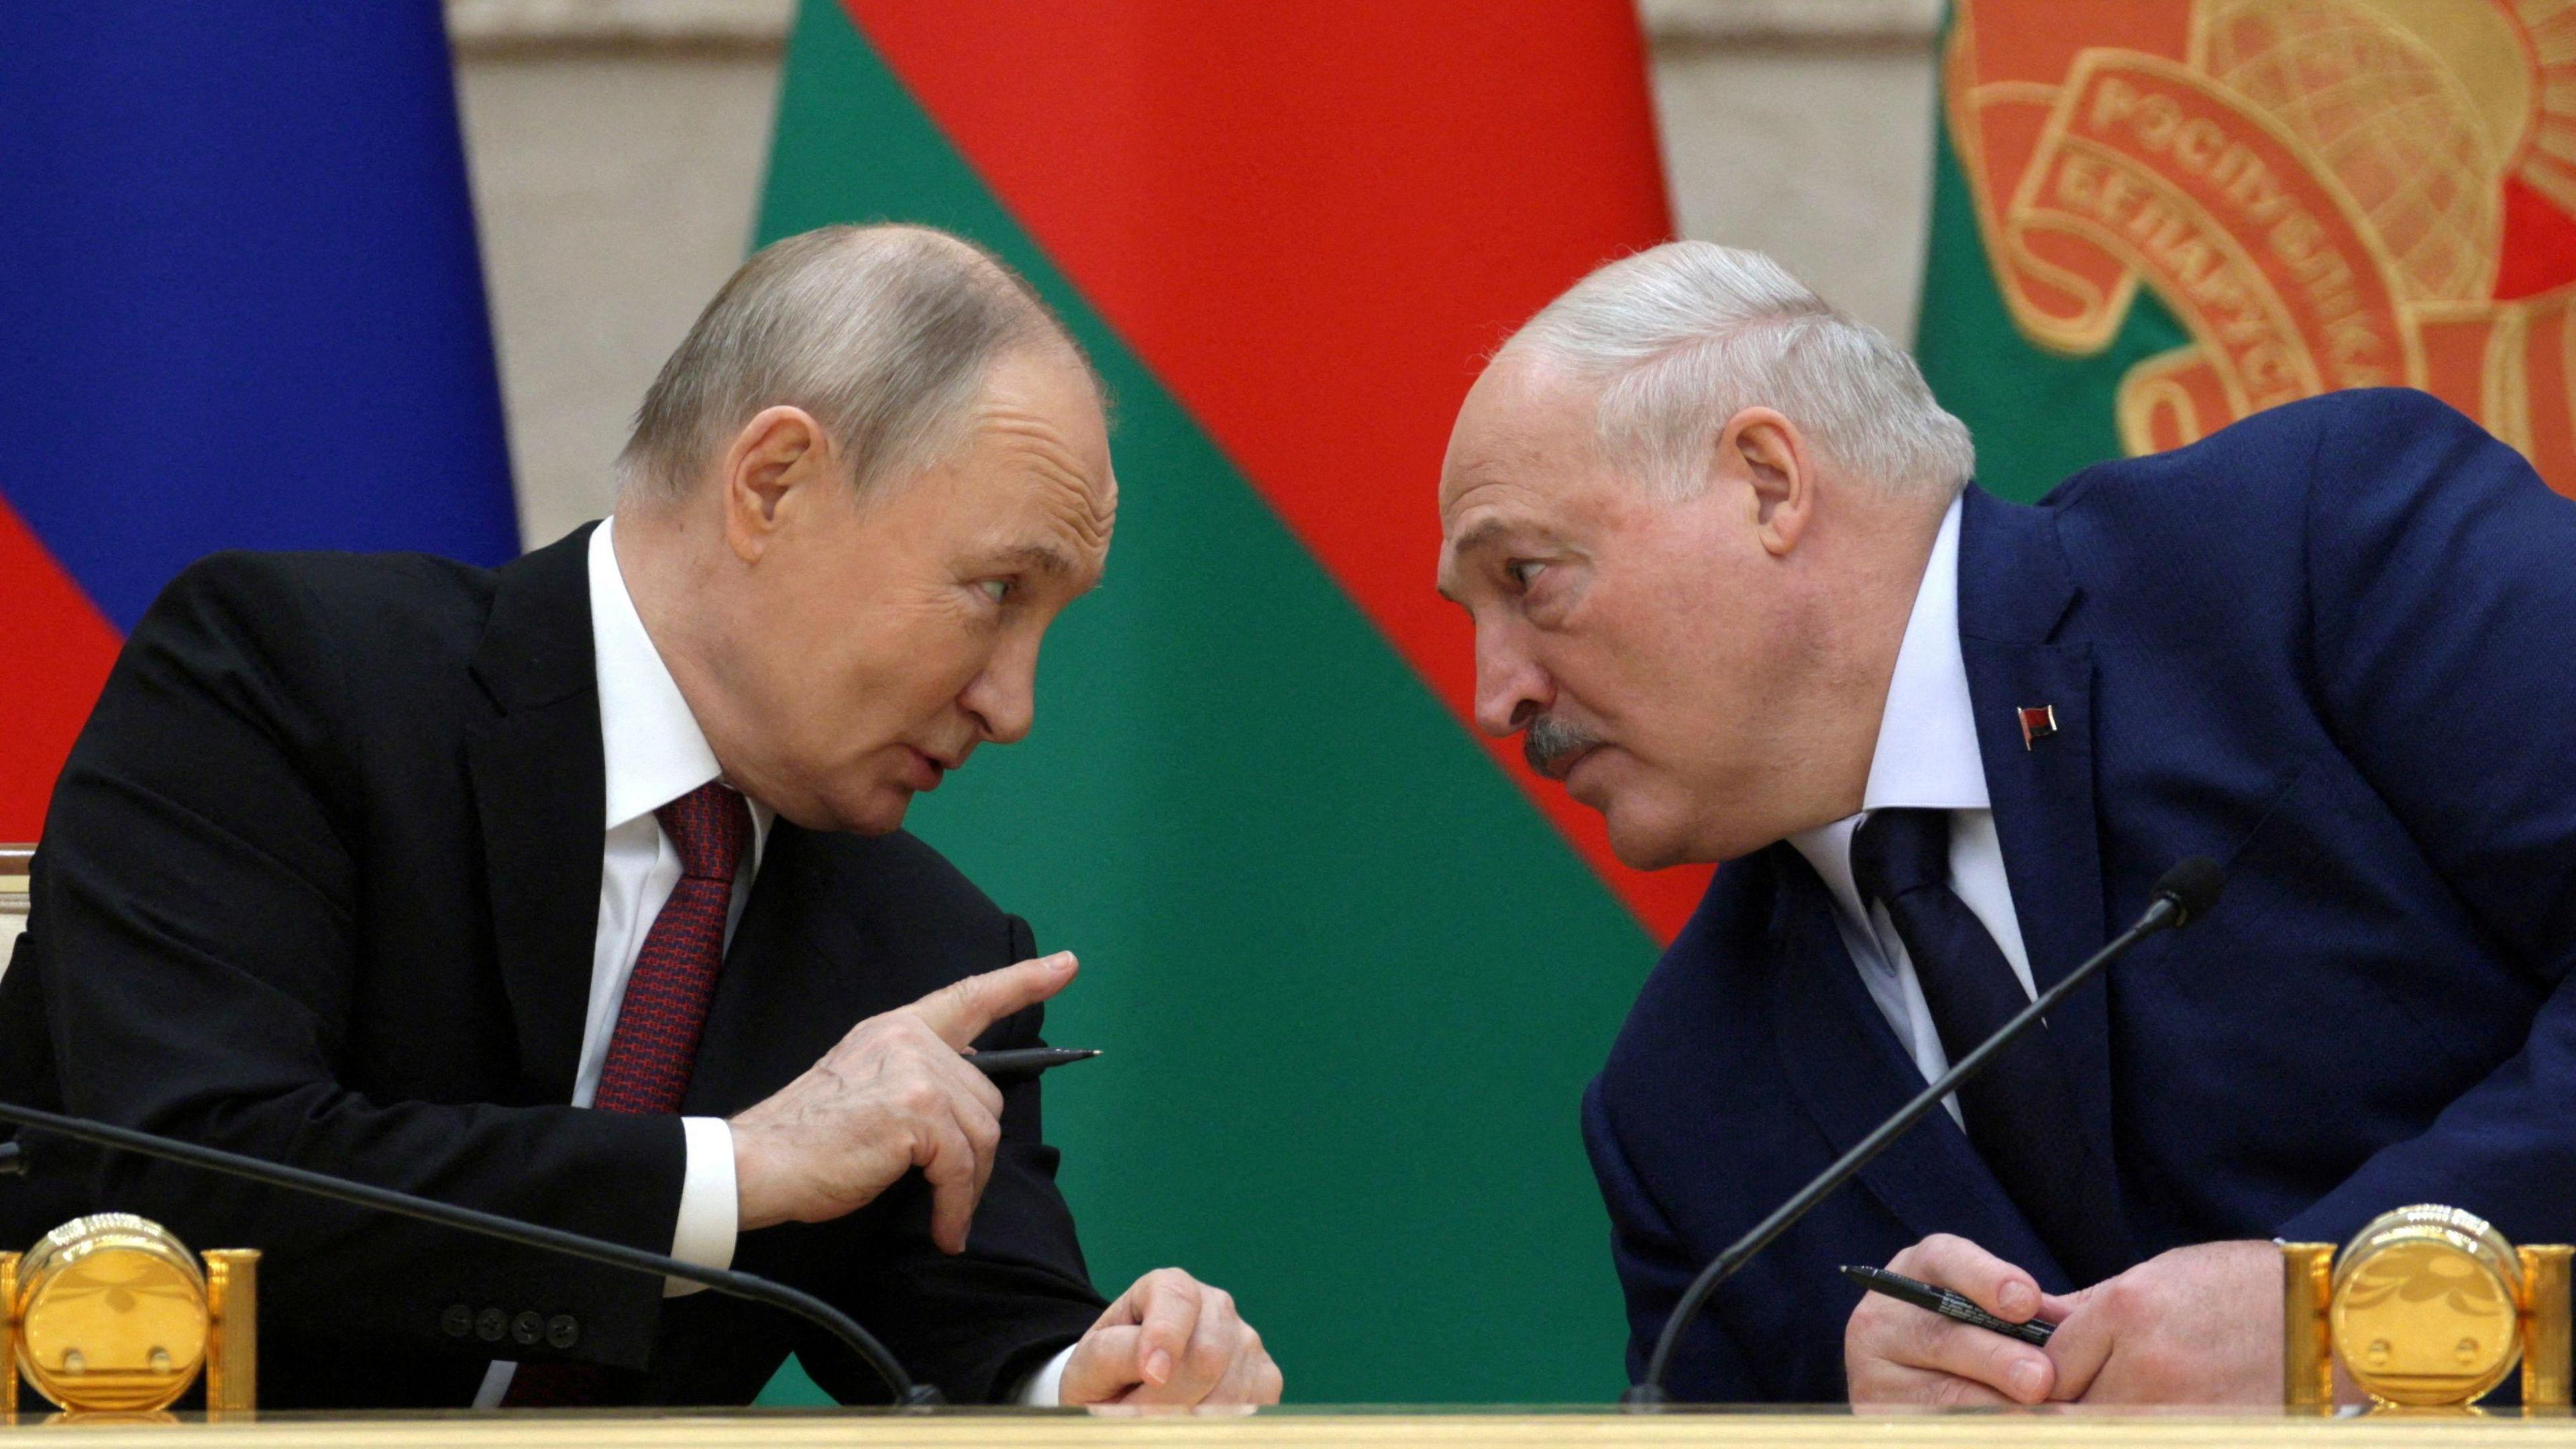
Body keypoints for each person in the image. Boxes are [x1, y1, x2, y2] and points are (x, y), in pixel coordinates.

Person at [0, 224, 1281, 1411]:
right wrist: (731, 1173)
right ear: (774, 483)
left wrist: (1104, 1380)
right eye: (997, 590)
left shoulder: (930, 948)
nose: (1016, 705)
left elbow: (991, 1336)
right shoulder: (284, 682)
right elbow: (184, 1174)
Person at [1434, 240, 2576, 1407]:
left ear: (1768, 483)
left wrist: (2350, 1312)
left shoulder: (2310, 550)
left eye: (1527, 578)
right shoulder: (1678, 1109)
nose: (1495, 695)